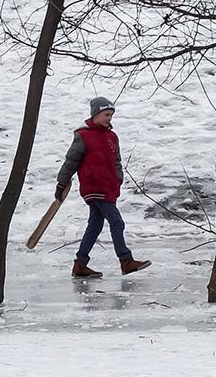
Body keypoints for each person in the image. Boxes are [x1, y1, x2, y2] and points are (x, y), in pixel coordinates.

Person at [55, 96, 151, 278]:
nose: (109, 118)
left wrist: (118, 178)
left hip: (108, 187)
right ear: (96, 114)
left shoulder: (112, 137)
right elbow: (71, 162)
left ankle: (80, 264)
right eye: (106, 114)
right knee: (117, 222)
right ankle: (126, 260)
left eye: (111, 115)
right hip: (94, 186)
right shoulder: (83, 136)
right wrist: (62, 183)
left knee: (95, 225)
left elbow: (117, 161)